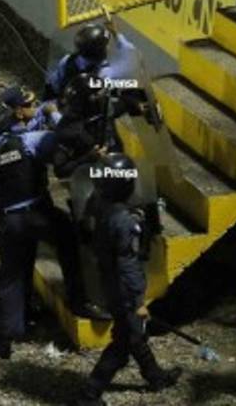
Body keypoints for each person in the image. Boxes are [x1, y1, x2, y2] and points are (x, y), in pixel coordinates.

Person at [0, 99, 95, 359]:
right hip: (38, 213)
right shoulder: (29, 141)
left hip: (8, 221)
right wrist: (52, 113)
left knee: (11, 276)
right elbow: (61, 136)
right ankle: (80, 302)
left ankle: (7, 337)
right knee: (69, 245)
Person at [72, 153, 181, 406]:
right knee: (123, 343)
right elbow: (128, 264)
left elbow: (86, 224)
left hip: (107, 279)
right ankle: (90, 393)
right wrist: (138, 300)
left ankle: (155, 376)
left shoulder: (97, 200)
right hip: (123, 288)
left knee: (133, 334)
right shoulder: (124, 220)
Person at [44, 22, 113, 99]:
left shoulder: (67, 60)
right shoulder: (104, 72)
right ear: (98, 52)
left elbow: (54, 84)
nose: (108, 47)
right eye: (105, 46)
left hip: (62, 99)